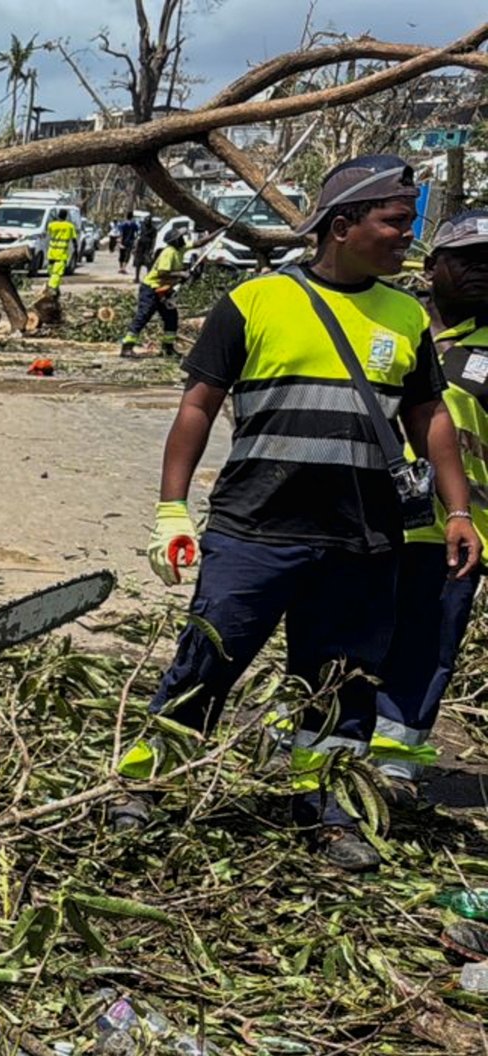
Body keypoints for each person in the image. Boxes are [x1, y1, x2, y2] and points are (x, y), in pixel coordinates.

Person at [122, 156, 481, 870]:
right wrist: (171, 509)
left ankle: (325, 809)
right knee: (207, 663)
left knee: (339, 681)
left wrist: (458, 508)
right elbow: (198, 406)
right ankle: (145, 786)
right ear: (342, 225)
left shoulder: (405, 316)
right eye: (393, 222)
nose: (404, 238)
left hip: (360, 541)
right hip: (255, 530)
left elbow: (428, 416)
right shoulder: (254, 303)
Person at [374, 210, 488, 792]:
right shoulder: (393, 323)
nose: (480, 272)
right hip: (368, 519)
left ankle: (395, 760)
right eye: (467, 259)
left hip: (455, 532)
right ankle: (318, 743)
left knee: (427, 645)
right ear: (433, 264)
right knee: (347, 633)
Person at [120, 224, 190, 358]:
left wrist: (220, 231)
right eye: (181, 237)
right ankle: (127, 347)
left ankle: (168, 348)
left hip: (165, 291)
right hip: (151, 289)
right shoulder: (168, 253)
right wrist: (181, 274)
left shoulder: (181, 249)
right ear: (175, 240)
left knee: (171, 317)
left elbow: (199, 243)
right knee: (144, 315)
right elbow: (162, 273)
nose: (184, 239)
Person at [45, 213, 78, 292]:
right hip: (61, 253)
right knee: (57, 273)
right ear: (66, 216)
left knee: (51, 271)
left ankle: (55, 288)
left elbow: (48, 234)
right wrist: (76, 249)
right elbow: (74, 239)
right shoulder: (70, 226)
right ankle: (52, 287)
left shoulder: (52, 225)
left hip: (52, 252)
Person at [133, 215, 157, 279]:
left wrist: (152, 249)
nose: (147, 222)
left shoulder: (153, 229)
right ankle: (137, 278)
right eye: (146, 221)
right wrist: (135, 247)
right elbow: (137, 237)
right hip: (140, 247)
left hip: (148, 247)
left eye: (148, 221)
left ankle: (149, 277)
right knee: (138, 263)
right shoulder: (141, 227)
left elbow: (154, 239)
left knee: (148, 263)